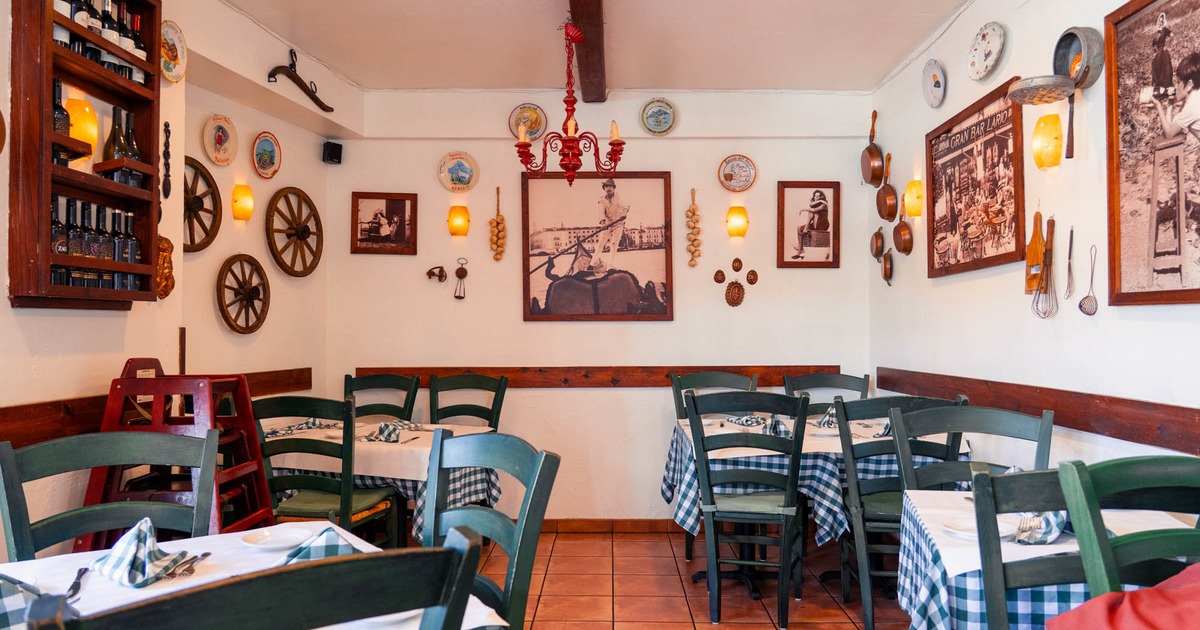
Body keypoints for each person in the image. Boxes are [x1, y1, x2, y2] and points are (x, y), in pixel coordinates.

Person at [588, 178, 629, 274]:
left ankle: (610, 266)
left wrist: (624, 213)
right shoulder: (602, 200)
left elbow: (625, 205)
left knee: (614, 244)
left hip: (618, 224)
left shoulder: (618, 197)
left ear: (614, 188)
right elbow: (600, 212)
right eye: (606, 186)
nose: (608, 188)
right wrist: (603, 223)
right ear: (604, 188)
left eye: (610, 186)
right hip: (607, 224)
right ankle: (592, 265)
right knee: (600, 244)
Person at [793, 190, 830, 259]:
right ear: (814, 196)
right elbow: (811, 205)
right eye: (816, 196)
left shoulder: (824, 204)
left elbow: (814, 210)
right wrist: (819, 201)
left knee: (812, 211)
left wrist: (803, 209)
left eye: (819, 196)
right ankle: (801, 249)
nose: (817, 198)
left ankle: (806, 228)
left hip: (823, 224)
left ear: (822, 197)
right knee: (799, 228)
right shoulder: (816, 203)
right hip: (815, 224)